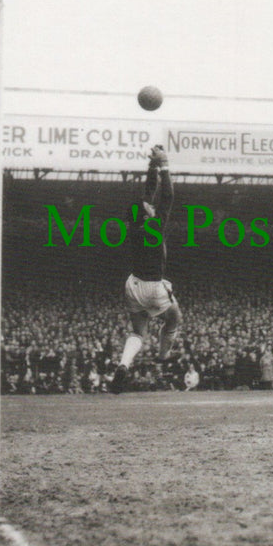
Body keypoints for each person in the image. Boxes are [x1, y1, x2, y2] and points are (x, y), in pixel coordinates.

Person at [111, 145, 182, 395]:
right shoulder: (155, 226)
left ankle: (123, 364)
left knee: (138, 332)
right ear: (148, 214)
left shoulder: (135, 226)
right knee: (174, 318)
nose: (151, 206)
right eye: (149, 207)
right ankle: (163, 357)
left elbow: (148, 194)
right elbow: (167, 197)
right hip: (154, 285)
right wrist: (164, 166)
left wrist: (151, 167)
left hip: (133, 284)